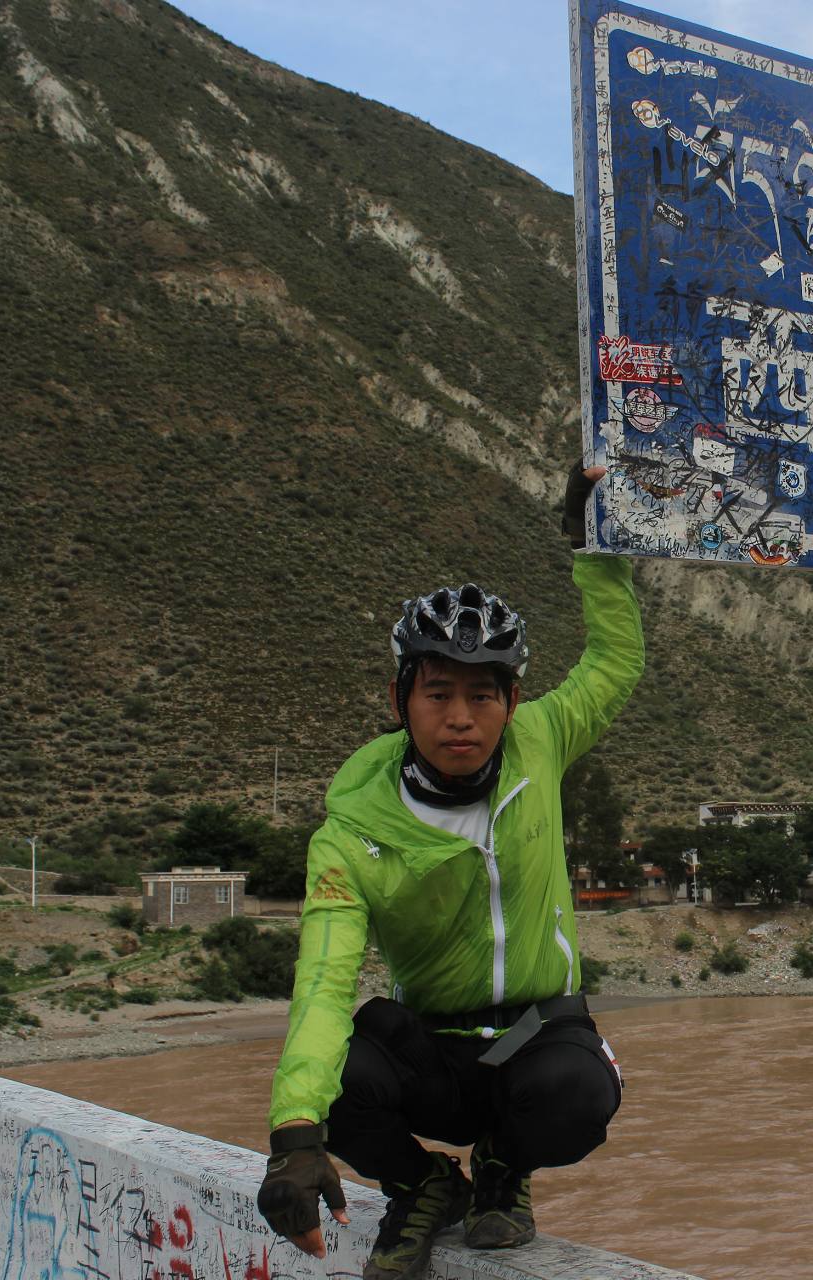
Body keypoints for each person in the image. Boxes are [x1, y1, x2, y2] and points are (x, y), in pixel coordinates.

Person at [256, 467, 640, 1280]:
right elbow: (324, 984)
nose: (460, 717)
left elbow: (614, 662)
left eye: (481, 694)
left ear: (513, 699)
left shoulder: (541, 740)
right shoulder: (351, 833)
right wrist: (294, 1138)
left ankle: (503, 1167)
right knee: (342, 1080)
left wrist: (596, 549)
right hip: (435, 1048)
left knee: (582, 1095)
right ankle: (424, 1185)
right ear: (400, 700)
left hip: (540, 1033)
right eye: (437, 693)